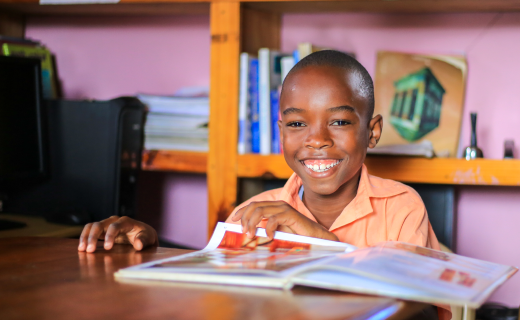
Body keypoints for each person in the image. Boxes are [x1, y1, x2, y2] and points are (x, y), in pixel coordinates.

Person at [78, 50, 446, 319]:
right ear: (281, 131)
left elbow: (413, 309)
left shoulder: (401, 207)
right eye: (298, 124)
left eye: (339, 122)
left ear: (373, 132)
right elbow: (216, 297)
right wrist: (152, 252)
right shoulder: (255, 215)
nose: (316, 140)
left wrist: (318, 239)